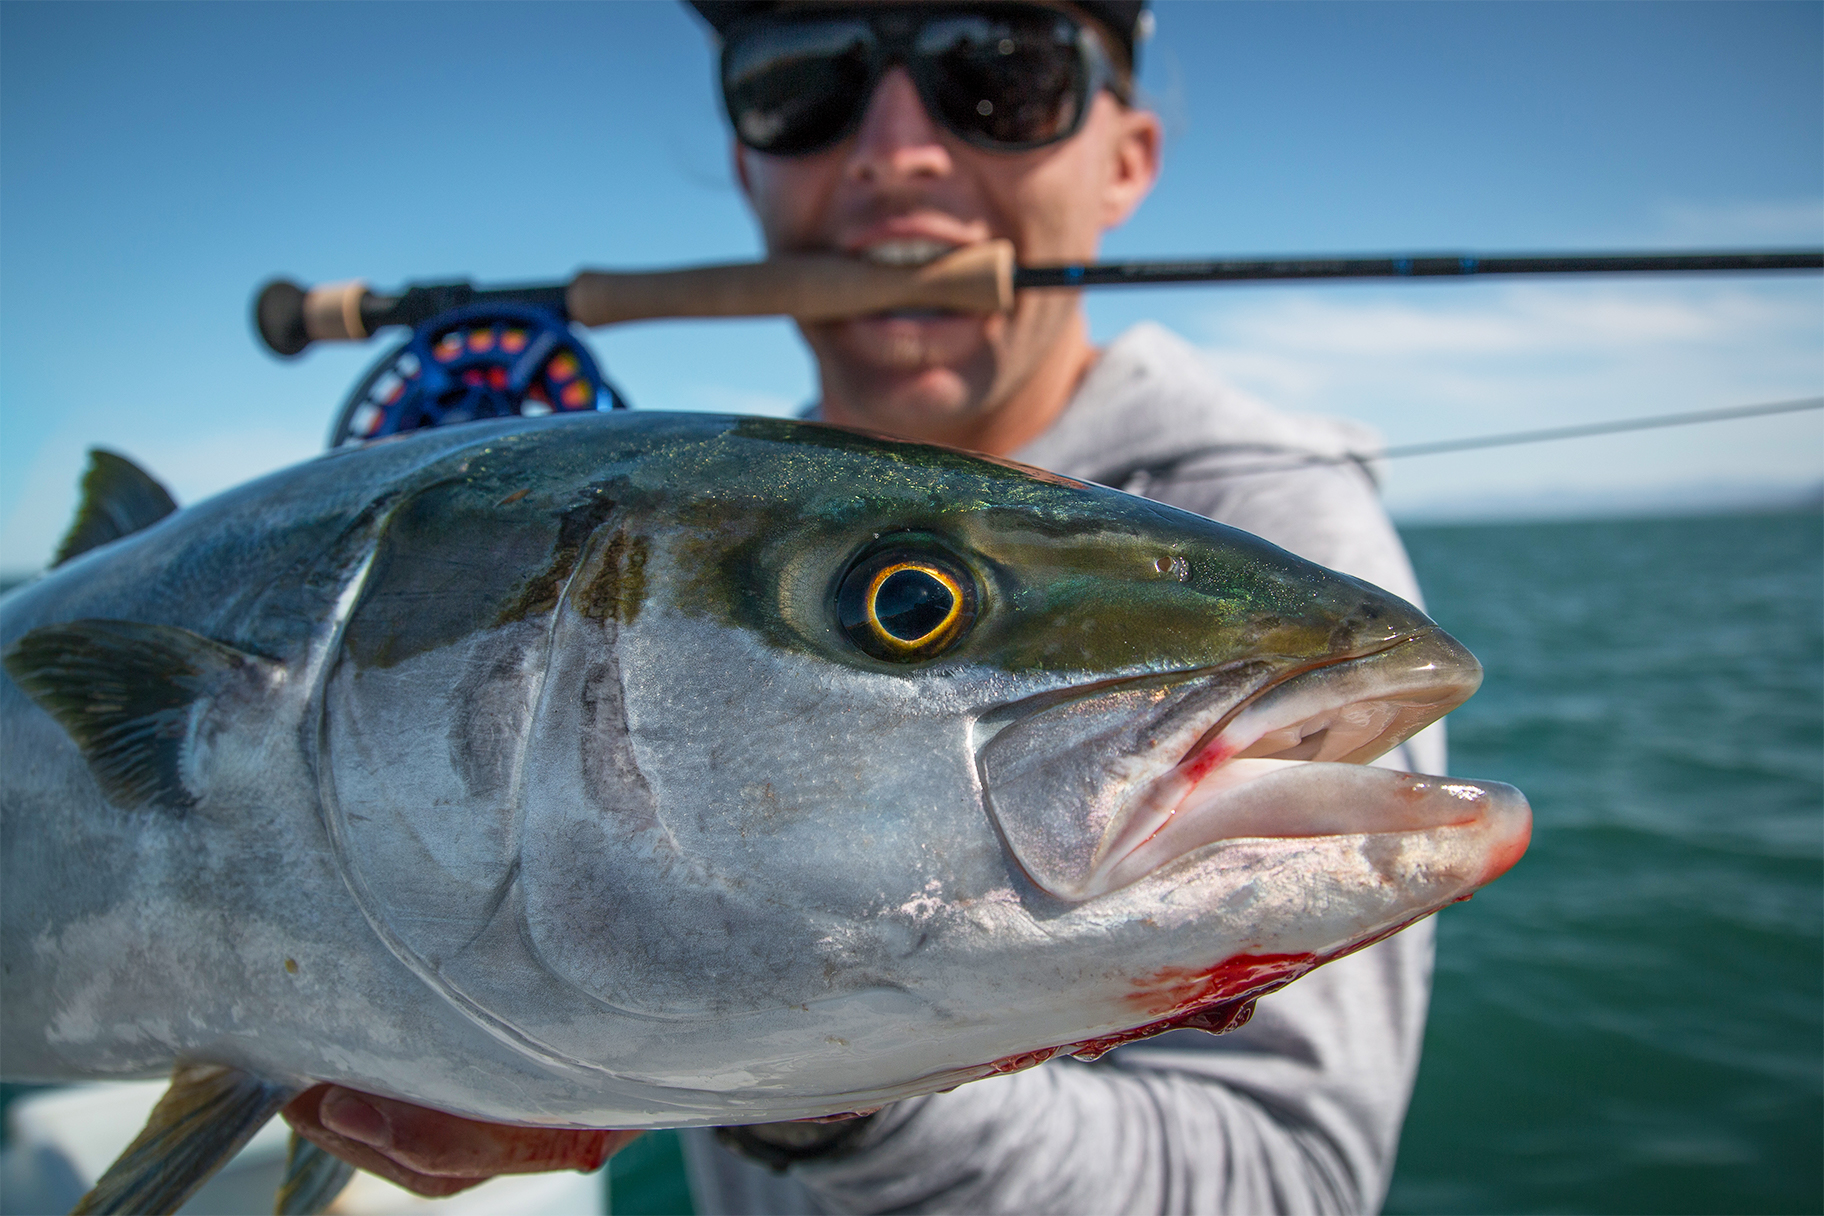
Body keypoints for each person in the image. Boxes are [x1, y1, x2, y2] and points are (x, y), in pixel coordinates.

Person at [285, 3, 1445, 1211]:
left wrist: (821, 1082)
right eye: (804, 80)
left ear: (1127, 160)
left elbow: (1283, 1180)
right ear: (747, 165)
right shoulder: (696, 509)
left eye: (1000, 68)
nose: (896, 148)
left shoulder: (1267, 527)